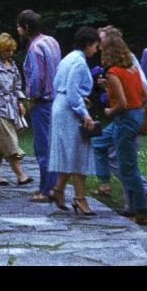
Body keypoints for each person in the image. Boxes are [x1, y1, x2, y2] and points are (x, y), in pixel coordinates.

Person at [91, 26, 147, 209]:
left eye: (101, 41)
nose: (98, 46)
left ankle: (139, 208)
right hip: (134, 115)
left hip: (125, 118)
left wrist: (109, 112)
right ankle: (111, 187)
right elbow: (144, 95)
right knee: (102, 145)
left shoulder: (115, 72)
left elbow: (121, 103)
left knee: (127, 166)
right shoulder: (131, 68)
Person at [48, 27, 100, 215]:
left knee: (71, 152)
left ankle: (59, 190)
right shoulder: (78, 61)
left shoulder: (69, 58)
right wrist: (84, 113)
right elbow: (71, 90)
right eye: (95, 46)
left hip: (62, 105)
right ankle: (80, 198)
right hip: (69, 110)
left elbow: (62, 86)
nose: (96, 50)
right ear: (87, 44)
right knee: (79, 153)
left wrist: (79, 98)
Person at [16, 10, 62, 203]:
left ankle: (47, 190)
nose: (17, 30)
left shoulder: (35, 48)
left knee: (43, 147)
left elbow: (37, 77)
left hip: (43, 102)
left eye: (19, 26)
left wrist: (31, 98)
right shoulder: (51, 41)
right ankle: (49, 186)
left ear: (26, 27)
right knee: (52, 145)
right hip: (56, 99)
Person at [0, 33, 33, 186]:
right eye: (7, 50)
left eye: (11, 50)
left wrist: (21, 102)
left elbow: (17, 86)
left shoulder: (12, 64)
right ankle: (21, 175)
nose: (10, 53)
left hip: (11, 107)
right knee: (9, 141)